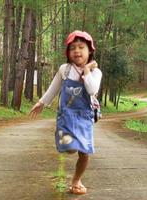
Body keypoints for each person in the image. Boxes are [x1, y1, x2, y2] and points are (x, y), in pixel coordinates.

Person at [29, 30, 102, 195]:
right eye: (72, 48)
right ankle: (69, 142)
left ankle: (77, 180)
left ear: (89, 51)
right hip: (66, 116)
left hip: (84, 117)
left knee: (84, 151)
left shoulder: (96, 72)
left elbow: (91, 89)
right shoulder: (65, 69)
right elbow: (54, 88)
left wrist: (87, 70)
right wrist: (41, 102)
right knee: (69, 148)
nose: (77, 51)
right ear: (68, 53)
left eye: (81, 47)